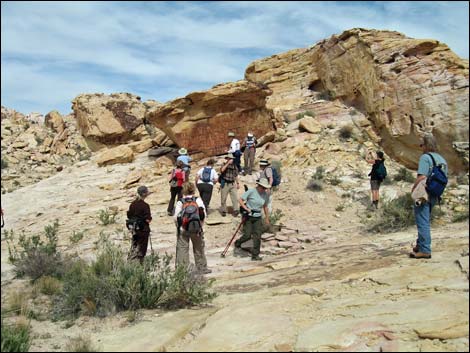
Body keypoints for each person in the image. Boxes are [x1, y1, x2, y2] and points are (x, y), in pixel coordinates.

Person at [410, 134, 448, 259]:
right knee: (424, 220)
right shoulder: (442, 159)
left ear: (426, 145)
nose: (421, 147)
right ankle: (420, 245)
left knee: (422, 221)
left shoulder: (425, 157)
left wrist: (414, 188)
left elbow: (421, 176)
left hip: (424, 193)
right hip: (435, 193)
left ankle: (425, 250)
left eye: (422, 145)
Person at [174, 183, 211, 274]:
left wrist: (179, 227)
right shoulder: (197, 200)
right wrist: (200, 225)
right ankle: (202, 268)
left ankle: (183, 269)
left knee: (183, 249)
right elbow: (203, 213)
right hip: (196, 228)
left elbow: (176, 217)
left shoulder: (180, 202)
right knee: (198, 248)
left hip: (184, 229)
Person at [235, 178, 271, 261]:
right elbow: (240, 200)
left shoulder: (265, 195)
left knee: (257, 236)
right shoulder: (251, 191)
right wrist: (246, 208)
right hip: (248, 216)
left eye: (265, 188)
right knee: (247, 235)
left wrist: (267, 218)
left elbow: (265, 206)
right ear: (259, 185)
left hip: (258, 217)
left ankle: (255, 255)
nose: (264, 189)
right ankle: (238, 243)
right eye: (263, 187)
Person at [127, 185, 152, 263]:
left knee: (134, 247)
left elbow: (129, 216)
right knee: (141, 250)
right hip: (143, 230)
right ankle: (139, 267)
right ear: (144, 194)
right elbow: (148, 219)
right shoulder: (145, 206)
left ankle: (131, 263)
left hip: (134, 229)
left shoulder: (132, 204)